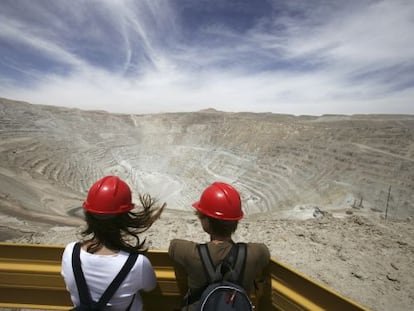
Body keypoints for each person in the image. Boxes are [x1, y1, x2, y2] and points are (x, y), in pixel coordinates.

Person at [61, 175, 165, 310]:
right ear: (124, 219)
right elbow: (149, 287)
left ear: (88, 215)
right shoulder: (137, 264)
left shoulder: (70, 252)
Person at [168, 181, 270, 310]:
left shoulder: (190, 253)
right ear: (236, 221)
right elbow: (265, 252)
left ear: (207, 222)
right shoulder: (254, 254)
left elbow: (173, 246)